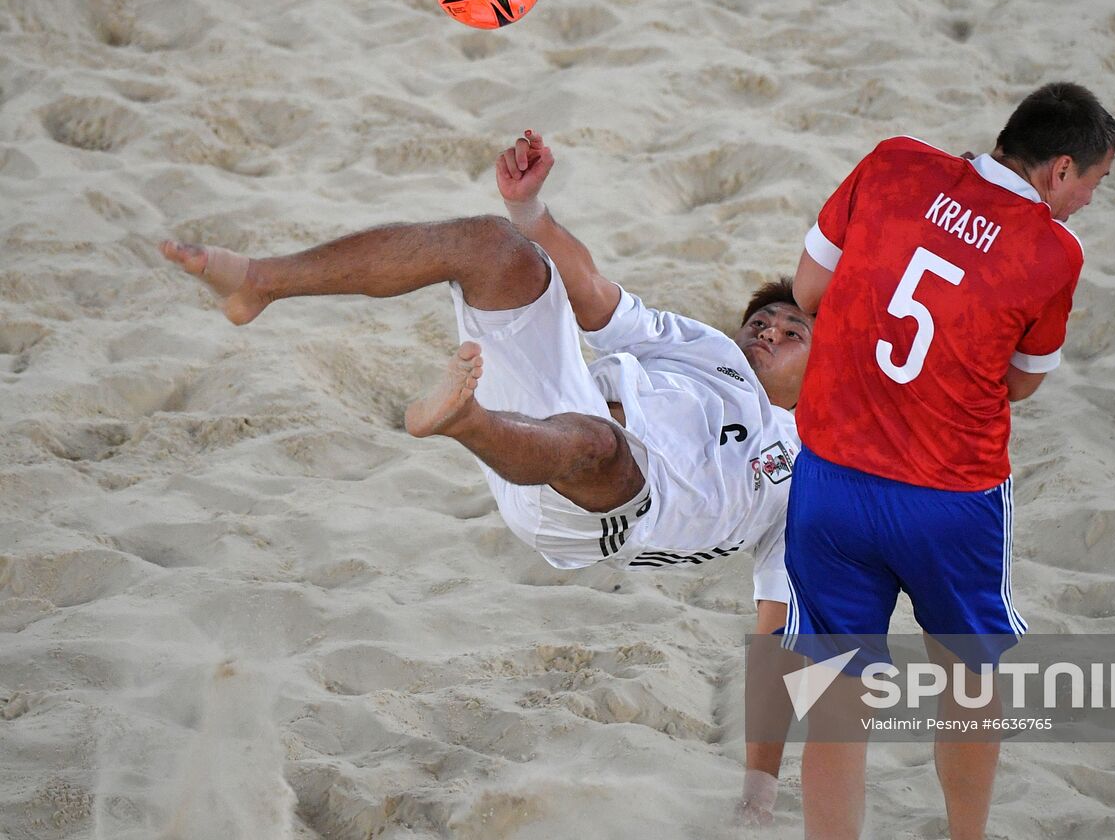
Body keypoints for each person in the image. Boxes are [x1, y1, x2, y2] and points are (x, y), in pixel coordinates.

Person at [158, 131, 808, 823]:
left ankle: (462, 418)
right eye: (760, 319)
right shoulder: (710, 350)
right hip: (555, 410)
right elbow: (591, 297)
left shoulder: (813, 473)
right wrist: (530, 212)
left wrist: (758, 792)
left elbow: (777, 631)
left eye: (791, 330)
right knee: (491, 245)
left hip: (602, 509)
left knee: (598, 443)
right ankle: (259, 281)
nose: (764, 330)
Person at [784, 83, 1115, 840]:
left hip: (832, 478)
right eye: (1095, 184)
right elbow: (1020, 383)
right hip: (949, 496)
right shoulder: (1052, 249)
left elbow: (807, 290)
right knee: (968, 683)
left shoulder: (892, 163)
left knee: (836, 701)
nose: (1087, 204)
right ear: (1059, 170)